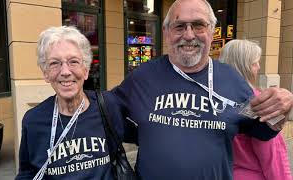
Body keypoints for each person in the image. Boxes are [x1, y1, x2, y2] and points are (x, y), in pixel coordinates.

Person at [112, 0, 293, 179]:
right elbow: (105, 112)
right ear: (167, 32)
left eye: (198, 25)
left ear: (212, 31)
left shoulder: (232, 80)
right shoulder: (143, 77)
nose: (189, 35)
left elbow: (262, 130)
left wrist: (282, 109)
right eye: (179, 26)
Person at [15, 26, 127, 180]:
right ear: (46, 73)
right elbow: (27, 173)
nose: (65, 72)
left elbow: (145, 135)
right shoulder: (33, 120)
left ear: (86, 70)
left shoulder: (108, 106)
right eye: (55, 63)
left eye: (73, 61)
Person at [220, 39, 292, 180]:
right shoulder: (259, 102)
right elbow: (272, 154)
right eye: (255, 62)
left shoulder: (211, 101)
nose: (258, 67)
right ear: (243, 66)